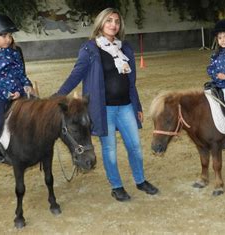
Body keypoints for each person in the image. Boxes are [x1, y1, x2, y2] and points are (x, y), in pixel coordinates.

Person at [56, 8, 158, 202]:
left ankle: (140, 180)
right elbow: (75, 75)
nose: (113, 25)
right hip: (104, 110)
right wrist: (57, 96)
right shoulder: (90, 49)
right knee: (109, 149)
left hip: (126, 106)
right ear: (101, 23)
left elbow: (131, 82)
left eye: (117, 22)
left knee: (135, 146)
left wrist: (137, 107)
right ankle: (116, 186)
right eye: (109, 20)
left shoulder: (125, 48)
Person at [0, 13, 35, 163]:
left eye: (9, 35)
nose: (8, 39)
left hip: (18, 91)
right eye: (4, 36)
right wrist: (6, 93)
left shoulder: (14, 53)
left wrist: (27, 85)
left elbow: (21, 73)